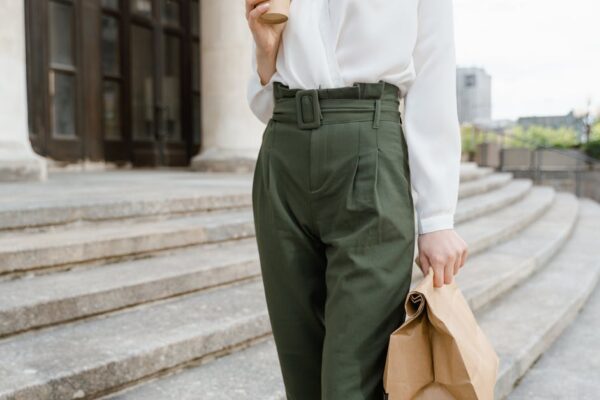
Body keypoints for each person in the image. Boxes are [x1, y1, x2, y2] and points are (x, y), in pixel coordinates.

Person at [244, 1, 469, 399]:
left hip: (369, 146)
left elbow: (432, 69)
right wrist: (265, 49)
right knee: (301, 373)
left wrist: (436, 217)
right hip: (283, 152)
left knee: (350, 381)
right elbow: (264, 102)